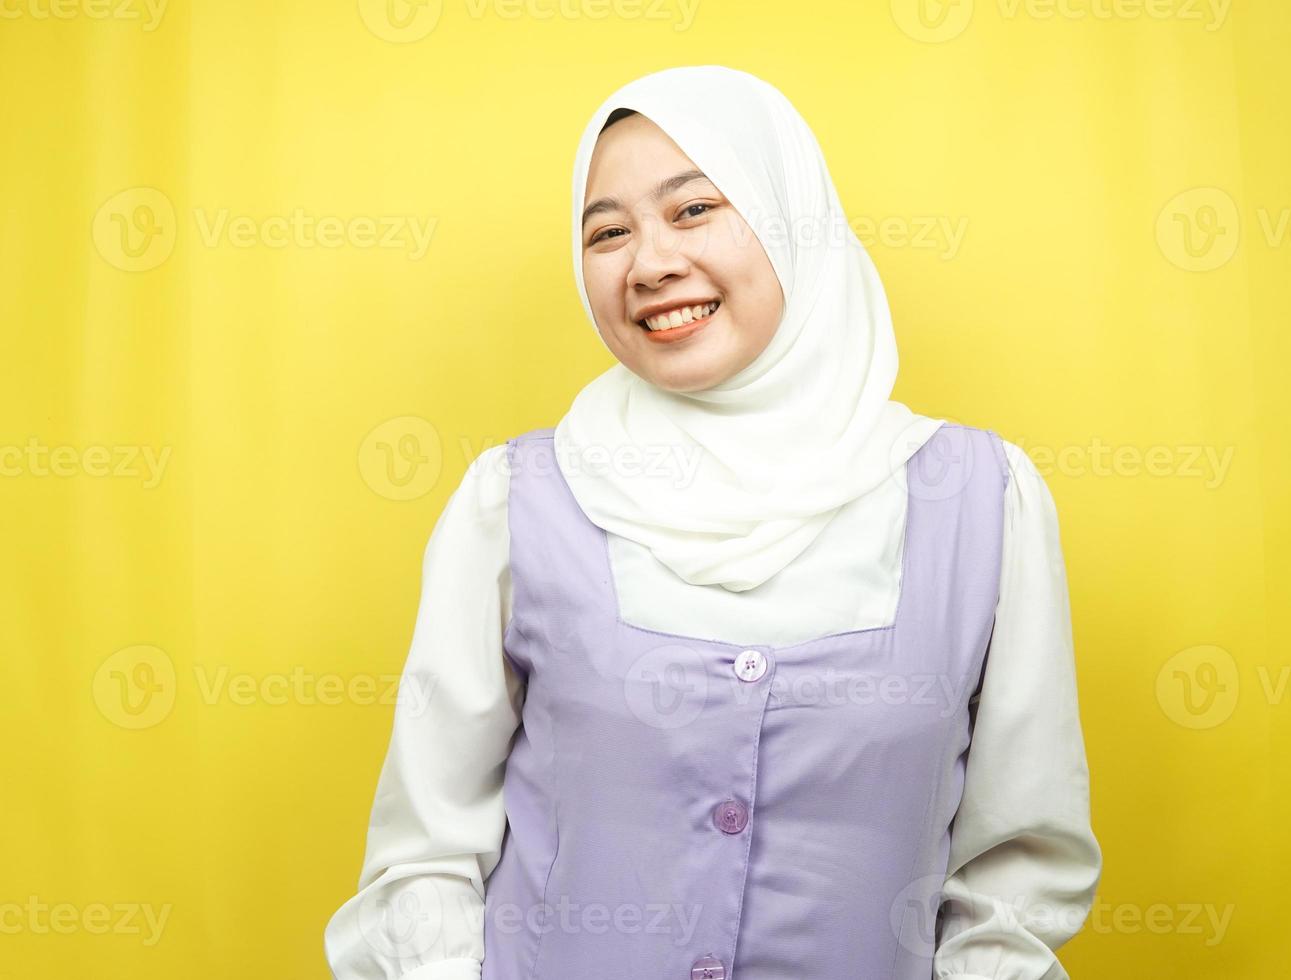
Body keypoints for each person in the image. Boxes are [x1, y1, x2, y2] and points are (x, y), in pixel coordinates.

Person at [324, 64, 1101, 980]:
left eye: (694, 210)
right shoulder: (516, 503)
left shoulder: (979, 502)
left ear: (791, 218)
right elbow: (423, 862)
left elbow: (1013, 882)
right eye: (607, 231)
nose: (650, 263)